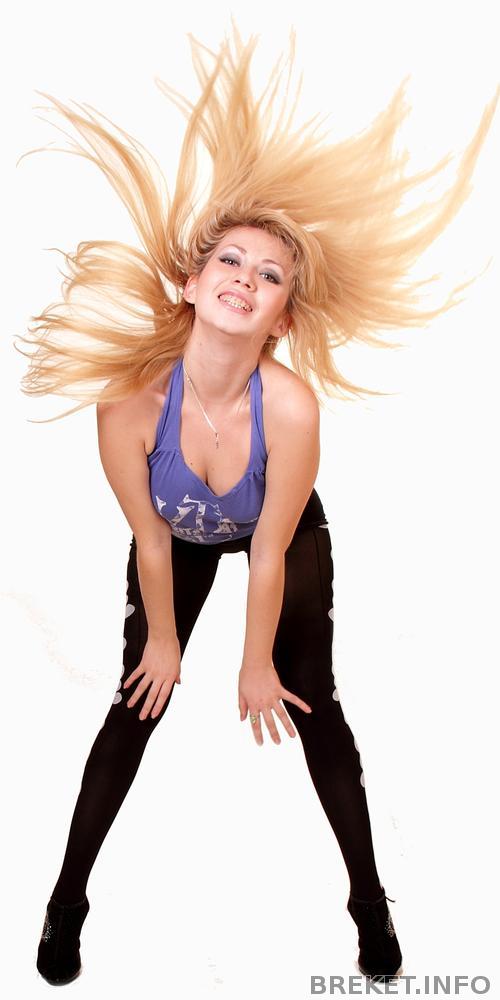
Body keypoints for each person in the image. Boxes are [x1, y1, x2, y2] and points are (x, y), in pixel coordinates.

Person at [15, 19, 497, 987]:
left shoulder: (291, 406)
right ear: (192, 283)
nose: (246, 279)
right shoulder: (128, 401)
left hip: (278, 529)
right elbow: (151, 535)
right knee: (136, 699)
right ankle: (67, 902)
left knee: (313, 698)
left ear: (284, 313)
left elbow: (269, 553)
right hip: (178, 535)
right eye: (230, 262)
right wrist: (164, 641)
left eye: (270, 275)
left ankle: (368, 902)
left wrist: (252, 661)